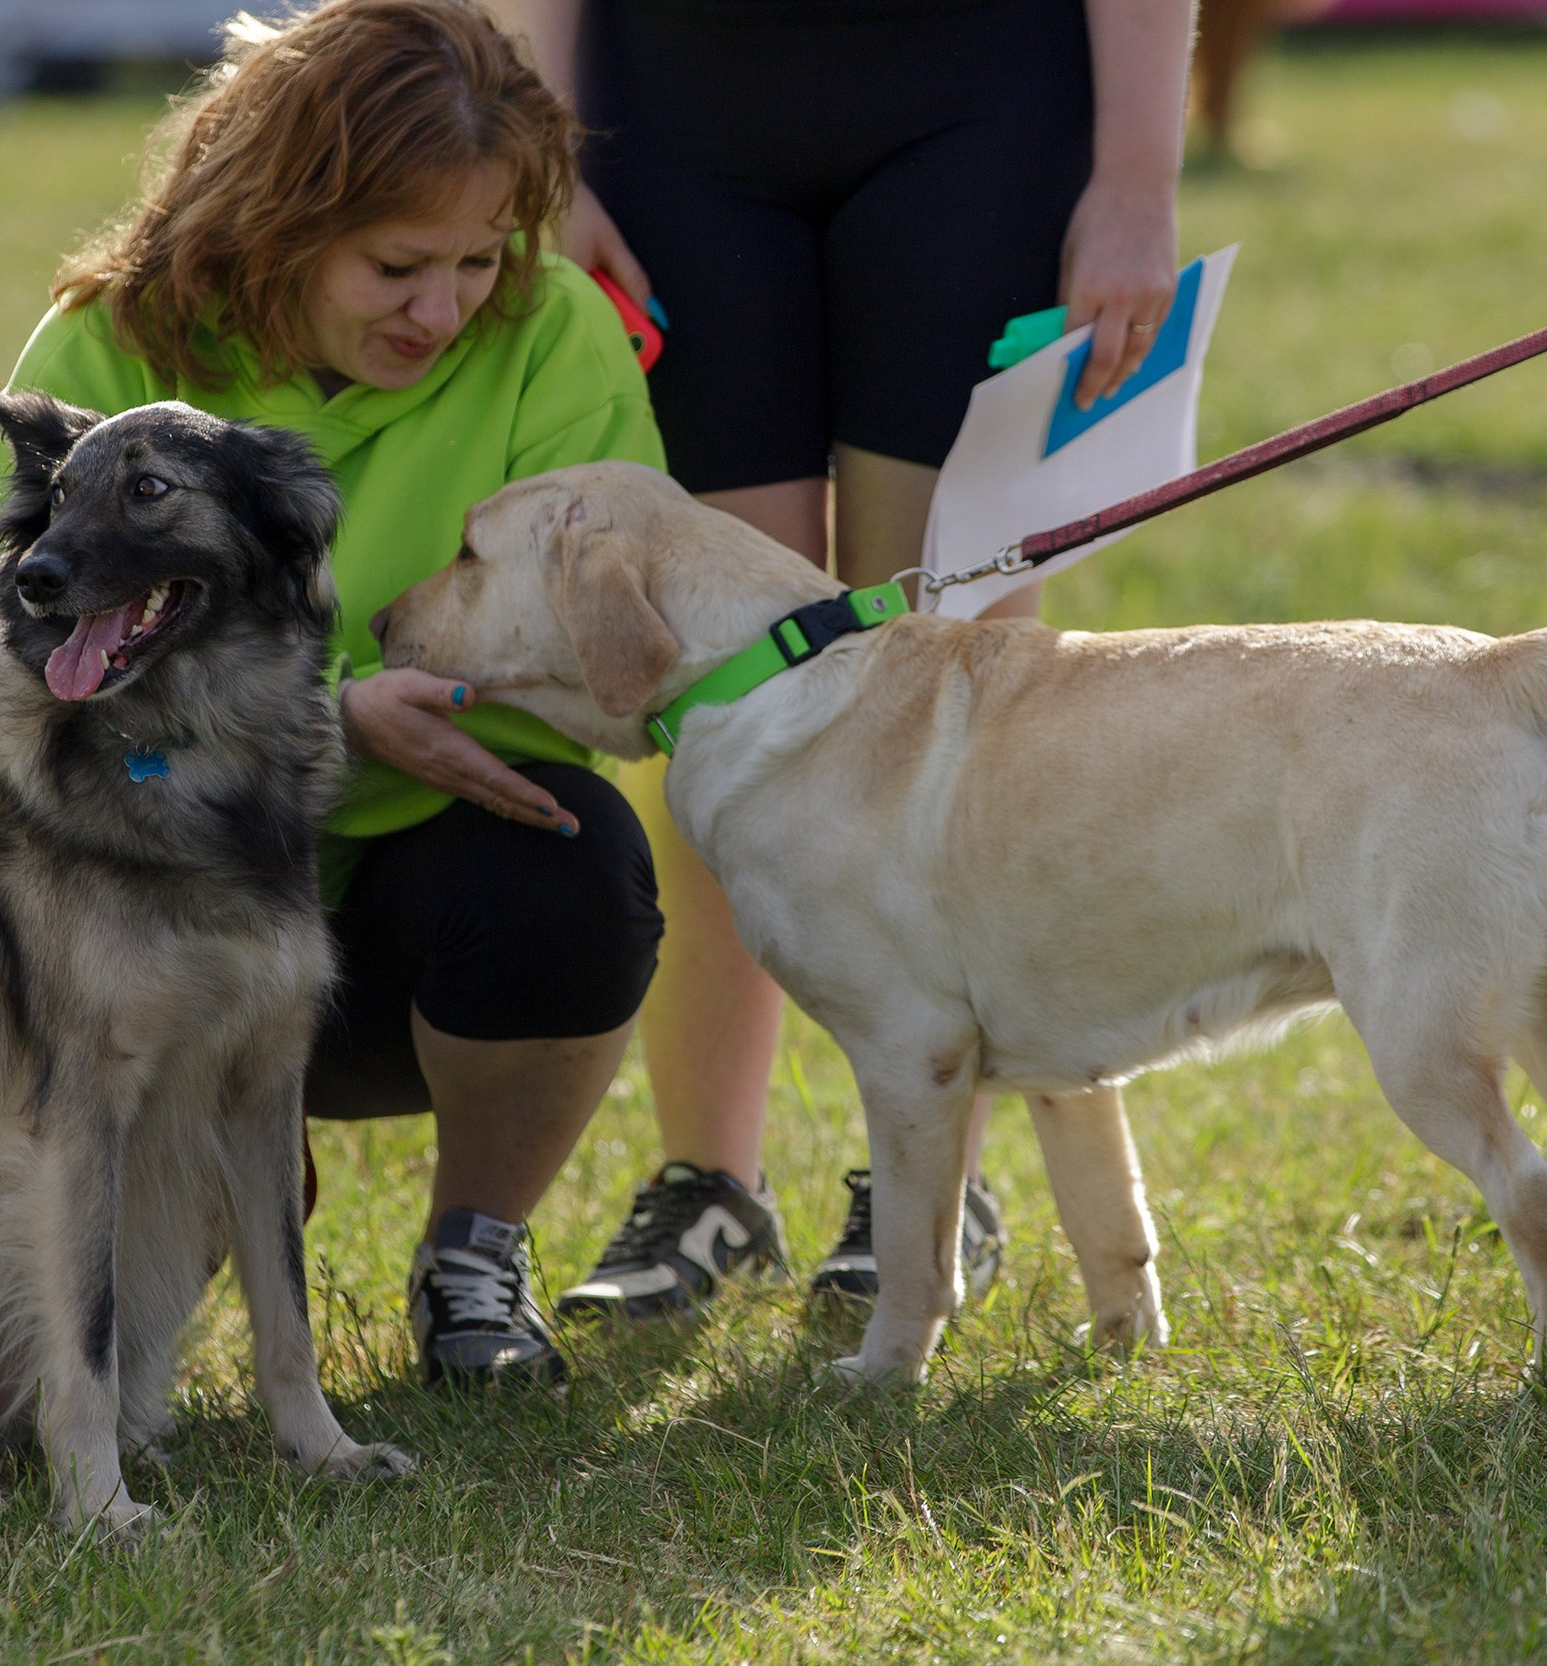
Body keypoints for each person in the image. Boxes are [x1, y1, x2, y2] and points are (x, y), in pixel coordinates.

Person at [0, 0, 667, 1388]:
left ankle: (472, 1257)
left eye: (481, 260)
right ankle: (136, 1188)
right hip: (126, 893)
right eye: (397, 264)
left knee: (580, 871)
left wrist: (362, 736)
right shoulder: (102, 347)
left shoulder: (552, 333)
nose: (447, 309)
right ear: (281, 220)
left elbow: (611, 674)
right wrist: (338, 718)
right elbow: (14, 675)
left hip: (408, 907)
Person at [484, 0, 1195, 1321]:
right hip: (668, 124)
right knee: (716, 703)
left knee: (955, 686)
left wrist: (1138, 182)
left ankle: (934, 1188)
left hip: (982, 108)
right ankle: (708, 1184)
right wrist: (548, 158)